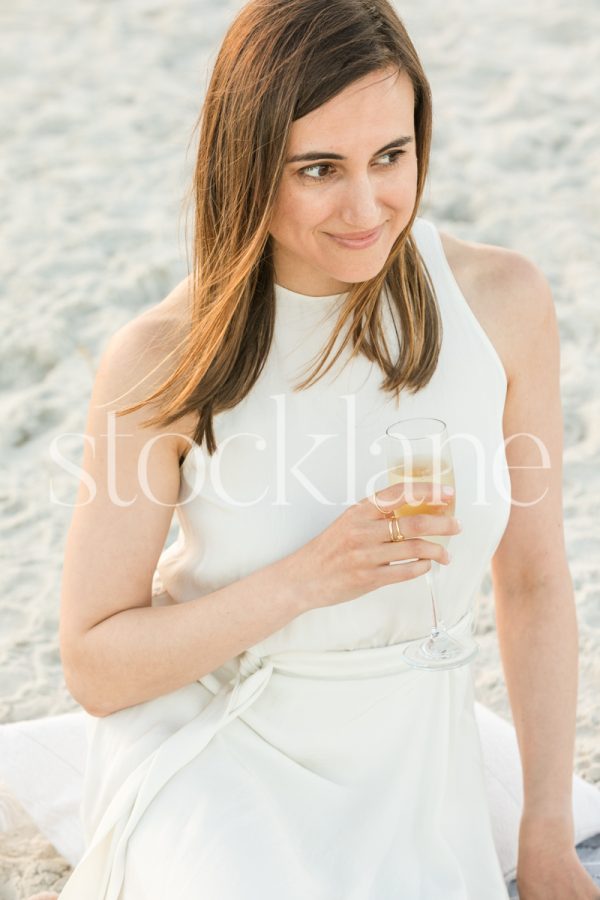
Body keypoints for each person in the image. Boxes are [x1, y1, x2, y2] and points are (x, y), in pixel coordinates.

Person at [31, 1, 598, 898]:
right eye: (319, 168)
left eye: (392, 156)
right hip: (223, 737)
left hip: (417, 740)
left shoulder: (501, 301)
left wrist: (544, 839)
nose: (367, 207)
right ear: (249, 166)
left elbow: (532, 583)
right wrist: (307, 577)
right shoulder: (165, 355)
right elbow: (96, 667)